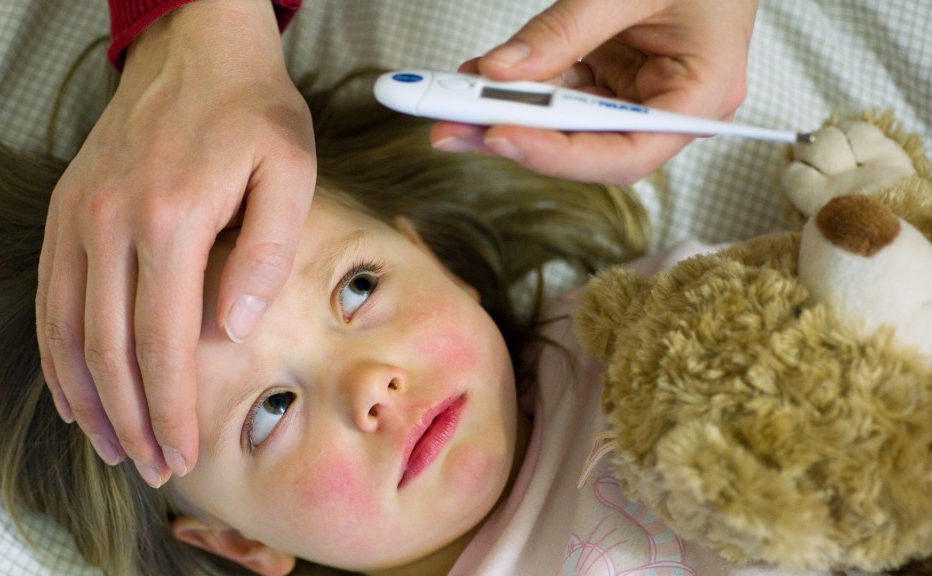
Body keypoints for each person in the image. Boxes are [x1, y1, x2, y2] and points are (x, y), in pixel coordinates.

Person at [39, 0, 760, 489]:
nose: (370, 385)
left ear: (439, 263)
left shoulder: (647, 327)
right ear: (241, 546)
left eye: (359, 288)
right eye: (272, 409)